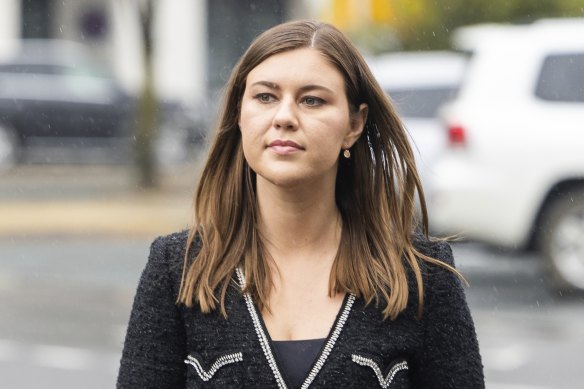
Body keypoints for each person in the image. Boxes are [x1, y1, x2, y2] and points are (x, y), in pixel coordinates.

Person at [117, 20, 484, 388]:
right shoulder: (177, 268)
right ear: (239, 115)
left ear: (354, 125)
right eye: (265, 97)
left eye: (312, 100)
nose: (284, 117)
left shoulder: (422, 277)